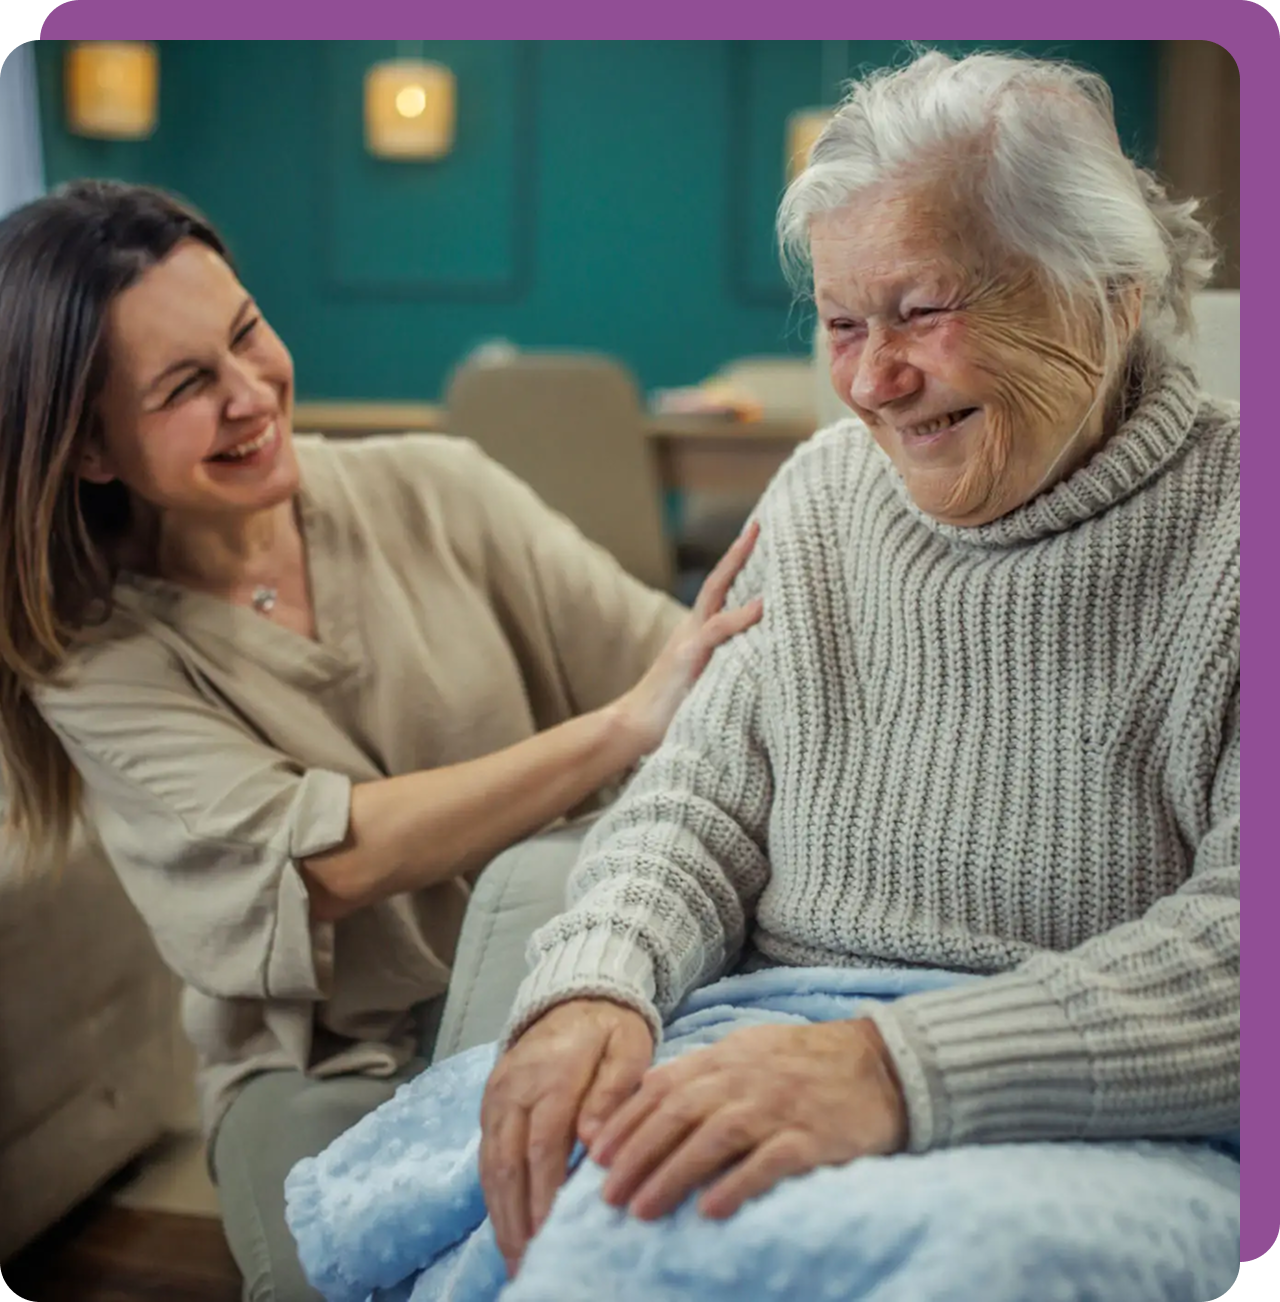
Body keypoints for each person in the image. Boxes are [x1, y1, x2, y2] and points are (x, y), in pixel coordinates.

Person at [478, 47, 1240, 1292]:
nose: (871, 382)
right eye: (841, 322)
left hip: (1097, 1112)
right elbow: (694, 804)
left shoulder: (1236, 527)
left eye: (923, 310)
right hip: (762, 1045)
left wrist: (894, 1070)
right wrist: (596, 979)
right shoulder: (823, 495)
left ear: (1108, 294)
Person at [0, 179, 762, 1302]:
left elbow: (681, 669)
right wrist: (615, 731)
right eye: (184, 387)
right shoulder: (93, 656)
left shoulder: (437, 487)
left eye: (247, 334)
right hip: (329, 1067)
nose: (251, 392)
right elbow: (322, 861)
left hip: (562, 986)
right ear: (93, 450)